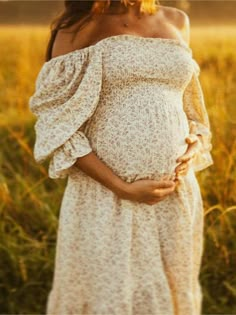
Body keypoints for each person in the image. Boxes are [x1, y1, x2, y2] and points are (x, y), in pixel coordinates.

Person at [28, 0, 214, 314]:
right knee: (110, 295)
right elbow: (55, 122)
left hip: (173, 195)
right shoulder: (81, 25)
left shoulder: (178, 20)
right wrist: (121, 187)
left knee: (171, 292)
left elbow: (187, 105)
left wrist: (194, 142)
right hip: (106, 198)